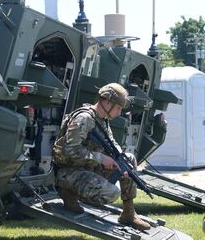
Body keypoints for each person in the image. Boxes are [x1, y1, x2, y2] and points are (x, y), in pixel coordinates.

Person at [52, 82, 150, 230]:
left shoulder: (102, 120)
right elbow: (71, 151)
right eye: (117, 108)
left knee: (128, 159)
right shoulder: (84, 119)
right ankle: (67, 193)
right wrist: (101, 159)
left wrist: (119, 158)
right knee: (112, 193)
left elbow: (111, 143)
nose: (119, 113)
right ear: (106, 102)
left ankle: (129, 213)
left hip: (87, 168)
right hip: (68, 172)